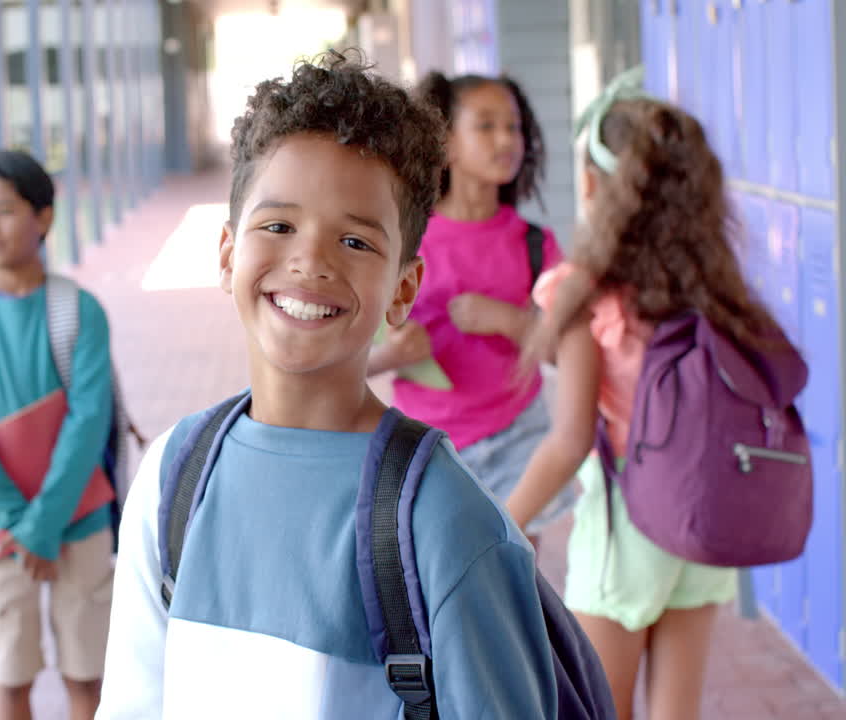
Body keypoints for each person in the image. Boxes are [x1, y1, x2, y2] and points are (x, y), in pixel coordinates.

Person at [95, 52, 559, 719]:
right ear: (227, 255)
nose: (309, 260)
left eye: (356, 241)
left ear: (404, 289)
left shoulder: (448, 521)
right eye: (278, 226)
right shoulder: (171, 480)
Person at [515, 68, 779, 720]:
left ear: (592, 185)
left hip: (626, 527)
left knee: (602, 709)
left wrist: (502, 520)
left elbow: (571, 437)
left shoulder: (584, 291)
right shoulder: (713, 287)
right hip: (703, 513)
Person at [0, 150, 115, 720]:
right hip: (1, 532)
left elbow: (91, 421)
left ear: (43, 216)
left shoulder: (79, 310)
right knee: (9, 682)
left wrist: (42, 524)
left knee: (87, 682)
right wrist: (24, 526)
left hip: (76, 522)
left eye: (4, 211)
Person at [368, 70, 572, 543]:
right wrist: (392, 356)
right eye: (486, 125)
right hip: (429, 443)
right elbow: (347, 356)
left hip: (520, 434)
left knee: (515, 578)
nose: (506, 139)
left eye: (514, 126)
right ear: (447, 144)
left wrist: (510, 321)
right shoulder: (404, 240)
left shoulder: (536, 245)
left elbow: (568, 353)